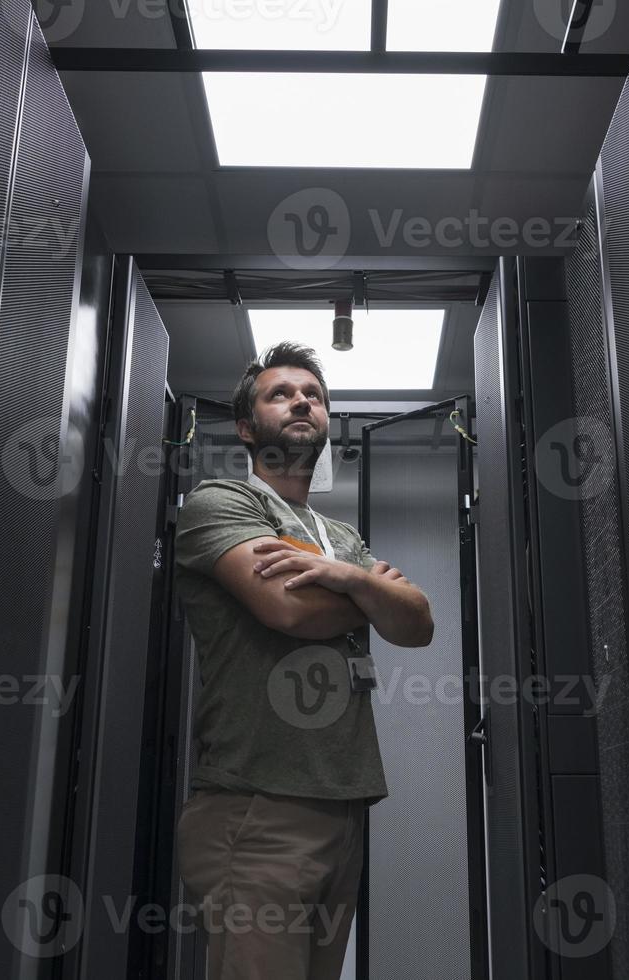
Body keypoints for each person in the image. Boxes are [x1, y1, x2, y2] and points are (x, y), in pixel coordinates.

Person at [173, 341, 434, 980]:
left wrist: (341, 575)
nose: (301, 402)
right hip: (257, 803)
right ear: (246, 426)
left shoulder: (337, 537)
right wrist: (370, 591)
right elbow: (285, 611)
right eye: (280, 393)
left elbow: (418, 622)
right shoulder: (221, 503)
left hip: (341, 801)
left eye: (313, 396)